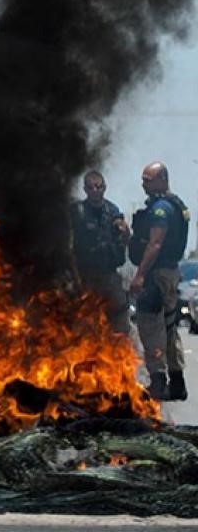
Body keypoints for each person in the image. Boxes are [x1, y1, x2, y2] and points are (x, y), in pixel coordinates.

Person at [130, 162, 189, 401]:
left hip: (157, 275)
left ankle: (157, 382)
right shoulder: (178, 204)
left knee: (151, 325)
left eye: (148, 179)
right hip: (171, 273)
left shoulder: (161, 209)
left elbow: (155, 244)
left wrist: (140, 275)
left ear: (162, 179)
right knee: (170, 326)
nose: (143, 184)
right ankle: (177, 382)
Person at [69, 170, 130, 335]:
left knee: (119, 322)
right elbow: (69, 245)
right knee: (86, 323)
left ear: (104, 188)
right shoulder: (77, 211)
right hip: (85, 276)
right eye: (91, 187)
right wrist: (75, 277)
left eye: (98, 186)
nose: (95, 190)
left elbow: (124, 235)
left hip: (109, 274)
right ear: (85, 189)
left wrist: (124, 230)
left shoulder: (112, 210)